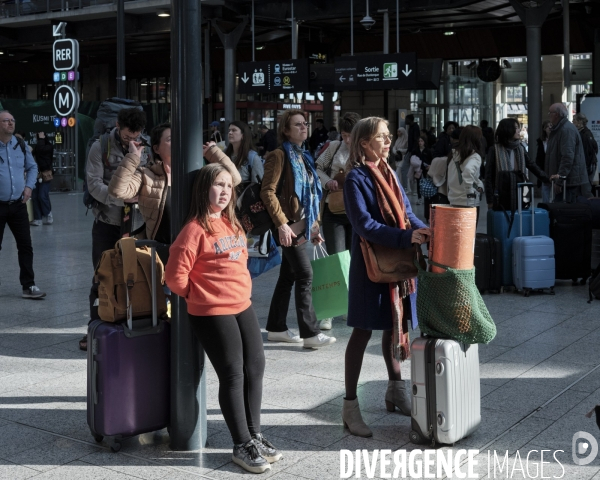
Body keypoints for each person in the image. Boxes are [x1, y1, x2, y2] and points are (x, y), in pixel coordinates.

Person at [165, 163, 280, 474]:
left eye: (229, 186)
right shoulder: (194, 230)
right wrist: (198, 294)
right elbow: (175, 277)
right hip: (212, 310)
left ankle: (254, 436)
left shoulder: (231, 224)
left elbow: (239, 261)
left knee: (255, 366)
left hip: (241, 304)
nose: (225, 191)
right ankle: (241, 443)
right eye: (218, 185)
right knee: (233, 373)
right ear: (204, 189)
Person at [341, 116, 430, 437]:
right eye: (381, 137)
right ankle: (350, 407)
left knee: (395, 328)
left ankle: (396, 390)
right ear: (364, 143)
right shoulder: (355, 179)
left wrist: (423, 229)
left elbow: (406, 212)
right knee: (362, 332)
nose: (388, 141)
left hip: (398, 267)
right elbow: (364, 225)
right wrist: (407, 238)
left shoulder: (389, 172)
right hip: (371, 267)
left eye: (389, 136)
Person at [260, 109, 336, 348]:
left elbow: (311, 195)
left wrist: (314, 227)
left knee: (288, 276)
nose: (304, 127)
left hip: (302, 225)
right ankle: (311, 333)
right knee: (305, 275)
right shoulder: (278, 155)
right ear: (286, 130)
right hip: (287, 226)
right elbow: (267, 191)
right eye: (297, 125)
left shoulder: (304, 155)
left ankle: (276, 328)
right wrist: (281, 224)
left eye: (305, 123)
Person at [82, 107, 148, 351]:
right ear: (118, 126)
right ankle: (95, 328)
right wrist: (122, 199)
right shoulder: (100, 146)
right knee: (102, 276)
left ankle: (133, 325)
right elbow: (94, 185)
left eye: (136, 135)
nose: (131, 140)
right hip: (107, 223)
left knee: (137, 276)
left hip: (137, 224)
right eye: (127, 136)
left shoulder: (146, 147)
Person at [0, 110, 46, 298]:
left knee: (25, 245)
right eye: (6, 121)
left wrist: (29, 187)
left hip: (18, 204)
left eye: (12, 120)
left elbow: (33, 167)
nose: (11, 124)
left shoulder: (20, 144)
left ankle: (29, 286)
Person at [484, 118, 549, 208]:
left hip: (519, 191)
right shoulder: (494, 150)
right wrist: (490, 200)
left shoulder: (520, 148)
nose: (519, 130)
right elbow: (488, 177)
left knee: (520, 219)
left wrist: (547, 178)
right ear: (507, 130)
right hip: (501, 194)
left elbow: (531, 164)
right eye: (516, 128)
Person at [546, 103, 591, 202]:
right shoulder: (560, 129)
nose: (548, 115)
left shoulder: (566, 130)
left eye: (550, 113)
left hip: (568, 182)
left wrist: (560, 180)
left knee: (565, 212)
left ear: (557, 114)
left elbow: (567, 157)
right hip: (566, 181)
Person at [447, 125, 485, 225]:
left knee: (457, 235)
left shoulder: (453, 154)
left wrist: (478, 183)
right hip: (468, 202)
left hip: (453, 199)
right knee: (469, 237)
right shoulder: (475, 156)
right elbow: (468, 172)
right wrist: (470, 192)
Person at [225, 121, 264, 189]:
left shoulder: (252, 157)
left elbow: (257, 185)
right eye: (229, 130)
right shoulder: (225, 153)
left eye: (234, 130)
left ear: (243, 135)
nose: (230, 133)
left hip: (243, 197)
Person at [30, 132, 54, 226]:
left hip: (45, 174)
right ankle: (38, 217)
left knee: (42, 195)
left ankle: (48, 214)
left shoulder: (48, 147)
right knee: (35, 196)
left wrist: (41, 139)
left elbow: (41, 150)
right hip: (36, 174)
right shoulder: (38, 147)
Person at [573, 112, 598, 187]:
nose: (572, 121)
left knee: (585, 189)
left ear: (580, 122)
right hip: (587, 166)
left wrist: (585, 168)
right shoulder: (585, 133)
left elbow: (588, 152)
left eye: (574, 120)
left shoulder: (585, 135)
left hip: (587, 167)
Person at [408, 133, 433, 205]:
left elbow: (431, 160)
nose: (420, 143)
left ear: (424, 142)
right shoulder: (416, 150)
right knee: (419, 184)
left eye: (421, 141)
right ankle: (419, 198)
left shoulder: (428, 151)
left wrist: (429, 165)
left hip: (426, 169)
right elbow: (412, 158)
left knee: (426, 183)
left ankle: (426, 198)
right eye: (419, 141)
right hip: (418, 170)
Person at [400, 114, 421, 193]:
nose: (405, 121)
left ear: (409, 120)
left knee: (405, 169)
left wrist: (412, 151)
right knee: (411, 170)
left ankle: (408, 188)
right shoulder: (412, 127)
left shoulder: (415, 128)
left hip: (412, 152)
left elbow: (415, 140)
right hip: (411, 151)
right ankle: (412, 189)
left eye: (406, 119)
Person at [535, 121, 552, 198]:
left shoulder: (557, 140)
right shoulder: (542, 142)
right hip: (544, 170)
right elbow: (539, 157)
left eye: (551, 126)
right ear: (544, 129)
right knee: (545, 192)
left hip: (554, 169)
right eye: (547, 126)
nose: (549, 128)